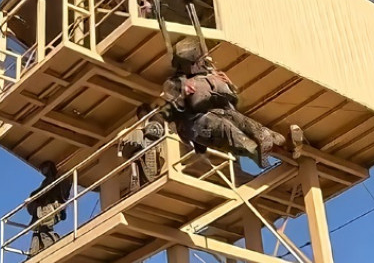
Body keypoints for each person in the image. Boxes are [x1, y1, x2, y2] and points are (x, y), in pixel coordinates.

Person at [162, 38, 303, 168]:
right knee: (228, 129)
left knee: (247, 123)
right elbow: (174, 107)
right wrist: (182, 93)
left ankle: (286, 144)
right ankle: (258, 153)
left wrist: (229, 85)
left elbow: (232, 100)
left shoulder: (211, 76)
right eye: (195, 62)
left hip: (222, 113)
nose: (199, 64)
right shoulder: (176, 83)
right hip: (198, 125)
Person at [25, 161, 71, 256]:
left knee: (43, 227)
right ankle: (36, 251)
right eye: (42, 169)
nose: (43, 171)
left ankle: (50, 248)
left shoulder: (55, 180)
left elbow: (43, 190)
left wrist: (32, 198)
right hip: (49, 208)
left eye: (45, 169)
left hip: (51, 208)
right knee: (39, 229)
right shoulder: (50, 181)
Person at [118, 104, 167, 192]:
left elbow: (155, 132)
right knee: (136, 154)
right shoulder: (144, 126)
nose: (141, 117)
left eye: (142, 114)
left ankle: (137, 178)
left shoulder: (156, 119)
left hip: (154, 149)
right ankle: (136, 178)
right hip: (144, 153)